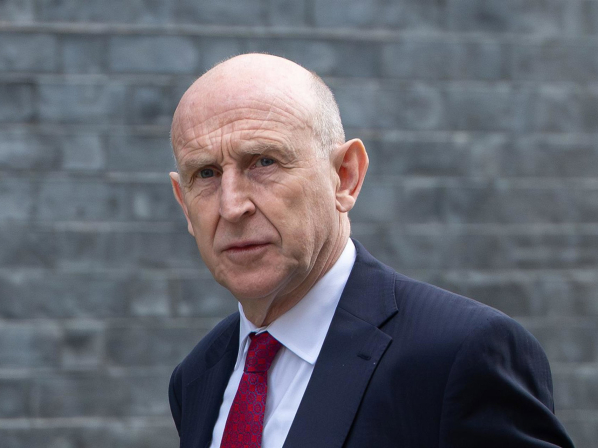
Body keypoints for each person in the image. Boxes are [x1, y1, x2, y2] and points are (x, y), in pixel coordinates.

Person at [167, 53, 574, 448]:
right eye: (206, 173)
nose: (232, 205)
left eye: (264, 162)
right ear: (184, 204)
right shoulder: (197, 376)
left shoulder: (461, 355)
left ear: (345, 176)